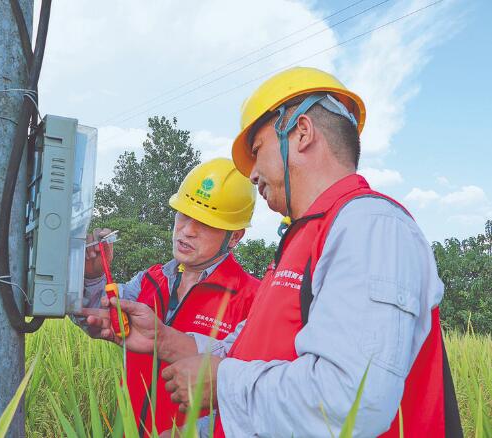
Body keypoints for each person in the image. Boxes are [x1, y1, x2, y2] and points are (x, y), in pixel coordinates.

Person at [90, 67, 462, 437]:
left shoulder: (372, 225)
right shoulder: (306, 240)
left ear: (301, 132)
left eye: (256, 150)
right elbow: (251, 351)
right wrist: (163, 340)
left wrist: (222, 384)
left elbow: (352, 398)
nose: (251, 175)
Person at [77, 157, 260, 436]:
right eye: (183, 215)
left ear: (234, 237)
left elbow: (251, 398)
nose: (187, 230)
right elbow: (95, 317)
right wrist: (92, 277)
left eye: (206, 223)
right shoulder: (149, 281)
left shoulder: (252, 299)